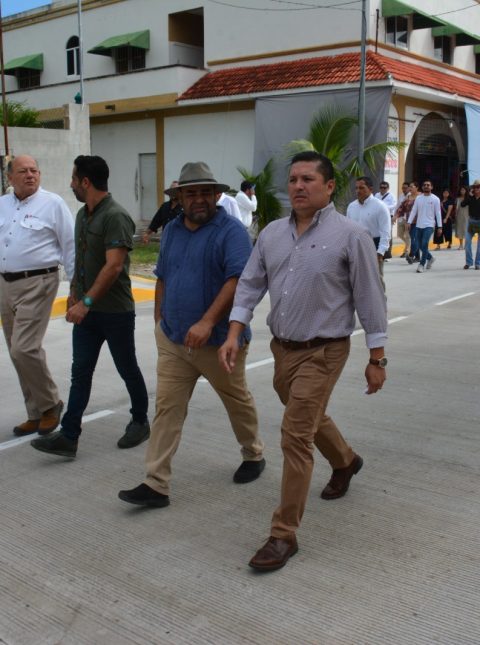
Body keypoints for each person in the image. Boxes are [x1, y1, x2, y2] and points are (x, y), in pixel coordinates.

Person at [219, 151, 387, 572]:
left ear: (329, 187)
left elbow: (370, 297)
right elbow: (250, 285)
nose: (298, 186)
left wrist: (377, 358)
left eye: (308, 179)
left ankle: (283, 534)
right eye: (293, 179)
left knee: (295, 434)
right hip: (283, 350)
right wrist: (234, 333)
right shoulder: (272, 234)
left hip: (325, 350)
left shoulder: (351, 236)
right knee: (306, 415)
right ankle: (345, 460)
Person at [118, 161, 265, 509]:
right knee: (167, 408)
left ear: (216, 195)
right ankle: (156, 483)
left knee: (236, 400)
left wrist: (207, 322)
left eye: (205, 192)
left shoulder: (231, 232)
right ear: (179, 199)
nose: (199, 199)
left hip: (219, 343)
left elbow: (237, 281)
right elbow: (163, 276)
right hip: (174, 340)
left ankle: (253, 453)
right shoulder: (171, 230)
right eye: (191, 193)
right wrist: (159, 319)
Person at [31, 155, 150, 458]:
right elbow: (81, 258)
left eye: (74, 179)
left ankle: (140, 421)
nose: (71, 184)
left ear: (85, 181)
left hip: (115, 312)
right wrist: (74, 292)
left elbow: (113, 267)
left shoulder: (116, 216)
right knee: (80, 373)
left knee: (127, 368)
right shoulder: (83, 215)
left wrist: (85, 302)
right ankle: (69, 436)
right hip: (87, 312)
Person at [0, 155, 75, 437]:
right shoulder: (2, 204)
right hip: (5, 284)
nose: (30, 175)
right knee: (15, 351)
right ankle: (35, 412)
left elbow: (70, 245)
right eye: (23, 171)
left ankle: (50, 403)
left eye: (34, 170)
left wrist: (76, 288)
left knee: (24, 348)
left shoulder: (52, 203)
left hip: (38, 282)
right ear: (10, 177)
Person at [346, 176, 391, 289]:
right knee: (357, 280)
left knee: (376, 280)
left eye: (362, 188)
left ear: (370, 189)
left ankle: (380, 300)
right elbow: (348, 230)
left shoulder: (380, 206)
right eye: (356, 188)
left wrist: (380, 253)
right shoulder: (351, 206)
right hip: (356, 247)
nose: (358, 191)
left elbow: (385, 232)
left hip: (373, 246)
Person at [407, 180, 442, 273]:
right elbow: (414, 210)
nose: (426, 186)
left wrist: (440, 227)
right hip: (419, 225)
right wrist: (409, 222)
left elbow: (438, 213)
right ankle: (430, 258)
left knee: (424, 243)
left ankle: (421, 264)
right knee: (420, 245)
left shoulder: (435, 199)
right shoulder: (419, 198)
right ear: (422, 187)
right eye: (424, 185)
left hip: (429, 225)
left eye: (428, 185)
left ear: (431, 187)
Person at [399, 181, 421, 264]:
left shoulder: (421, 196)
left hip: (419, 221)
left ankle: (411, 255)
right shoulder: (408, 197)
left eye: (412, 186)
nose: (410, 188)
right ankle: (418, 257)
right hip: (410, 221)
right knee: (414, 238)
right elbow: (402, 207)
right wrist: (396, 216)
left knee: (414, 239)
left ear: (417, 188)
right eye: (410, 187)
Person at [461, 179, 480, 270]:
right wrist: (468, 196)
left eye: (478, 187)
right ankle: (469, 262)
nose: (477, 188)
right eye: (475, 187)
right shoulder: (470, 197)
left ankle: (478, 263)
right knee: (467, 242)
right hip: (471, 221)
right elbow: (462, 204)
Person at [375, 180, 396, 259]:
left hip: (388, 216)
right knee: (379, 234)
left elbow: (393, 205)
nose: (383, 189)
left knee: (387, 234)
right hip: (378, 217)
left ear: (388, 188)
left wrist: (383, 207)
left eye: (385, 187)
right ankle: (379, 252)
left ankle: (388, 254)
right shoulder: (376, 195)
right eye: (381, 187)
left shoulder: (391, 196)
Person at [393, 182, 411, 258]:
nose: (404, 189)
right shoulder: (401, 196)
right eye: (403, 188)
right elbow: (398, 206)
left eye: (405, 188)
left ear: (409, 188)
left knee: (407, 235)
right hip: (400, 218)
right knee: (400, 234)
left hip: (408, 219)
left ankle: (406, 251)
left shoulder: (410, 196)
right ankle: (409, 245)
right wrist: (394, 216)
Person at [455, 186, 469, 250]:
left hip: (467, 216)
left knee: (466, 230)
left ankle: (466, 245)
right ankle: (461, 245)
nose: (462, 191)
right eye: (461, 190)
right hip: (459, 216)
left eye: (463, 190)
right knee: (460, 230)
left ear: (466, 191)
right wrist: (455, 215)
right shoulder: (457, 199)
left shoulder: (469, 198)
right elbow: (456, 208)